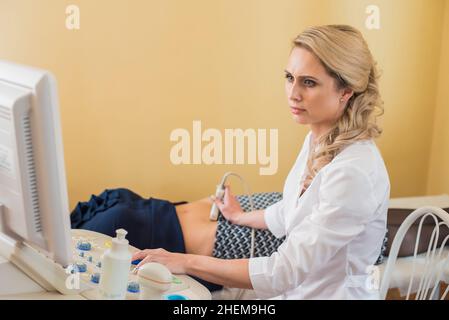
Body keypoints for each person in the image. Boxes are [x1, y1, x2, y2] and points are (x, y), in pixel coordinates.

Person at [73, 24, 390, 299]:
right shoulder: (318, 139)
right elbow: (289, 213)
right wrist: (240, 216)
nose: (293, 93)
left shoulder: (354, 174)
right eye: (289, 77)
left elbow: (283, 271)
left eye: (308, 82)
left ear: (346, 91)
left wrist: (183, 260)